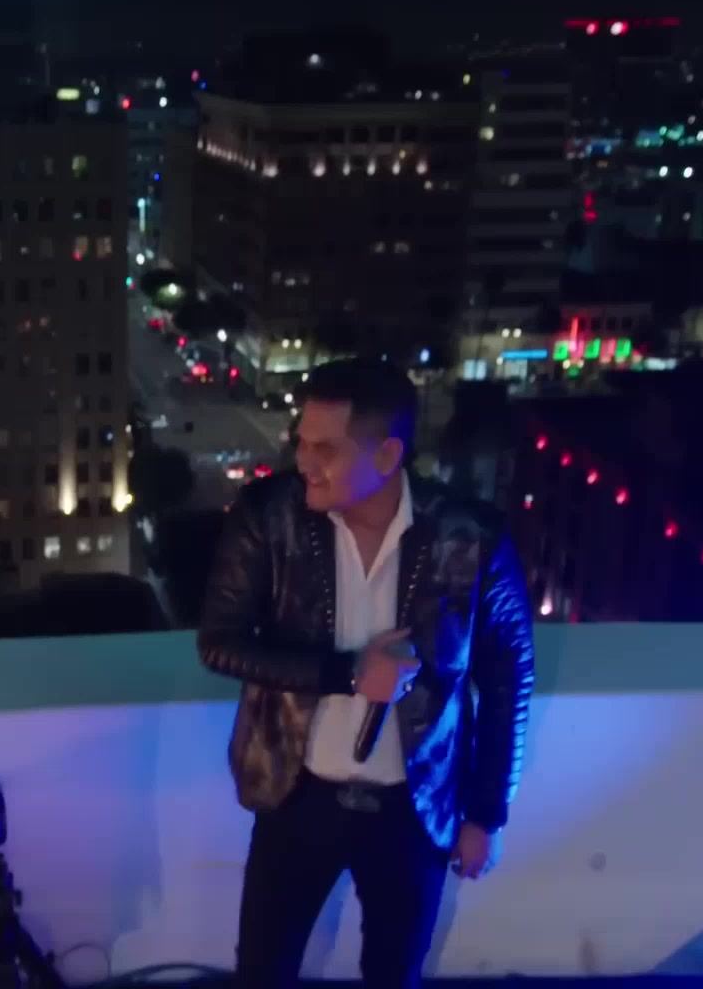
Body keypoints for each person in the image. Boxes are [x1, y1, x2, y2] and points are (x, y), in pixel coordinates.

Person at [197, 358, 534, 988]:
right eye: (301, 441)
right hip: (294, 793)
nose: (303, 461)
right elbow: (219, 643)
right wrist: (348, 673)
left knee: (394, 974)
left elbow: (508, 680)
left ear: (386, 455)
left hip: (415, 804)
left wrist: (486, 814)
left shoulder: (471, 536)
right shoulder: (268, 516)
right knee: (262, 971)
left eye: (324, 448)